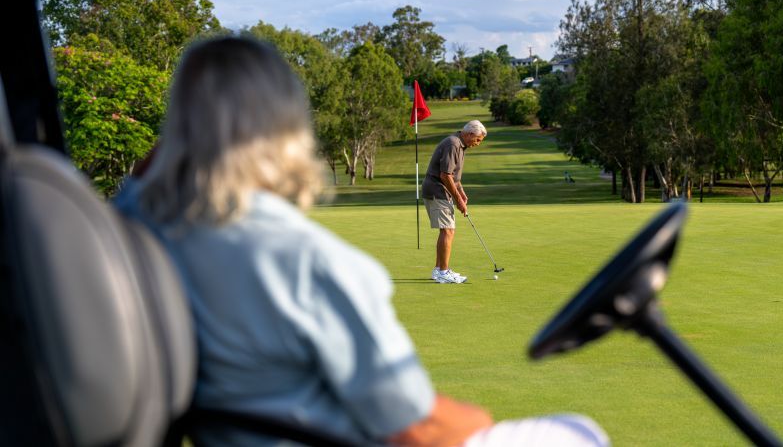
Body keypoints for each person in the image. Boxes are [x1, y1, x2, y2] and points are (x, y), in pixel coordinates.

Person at [115, 37, 608, 446]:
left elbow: (147, 174)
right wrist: (477, 422)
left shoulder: (126, 223)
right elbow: (417, 427)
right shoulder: (312, 264)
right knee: (577, 432)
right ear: (289, 127)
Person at [422, 120, 486, 284]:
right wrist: (458, 200)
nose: (477, 144)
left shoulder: (460, 145)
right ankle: (443, 272)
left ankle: (439, 270)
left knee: (447, 230)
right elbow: (445, 175)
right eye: (477, 140)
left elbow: (454, 176)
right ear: (470, 134)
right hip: (437, 190)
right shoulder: (453, 144)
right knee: (448, 231)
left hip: (440, 190)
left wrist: (461, 192)